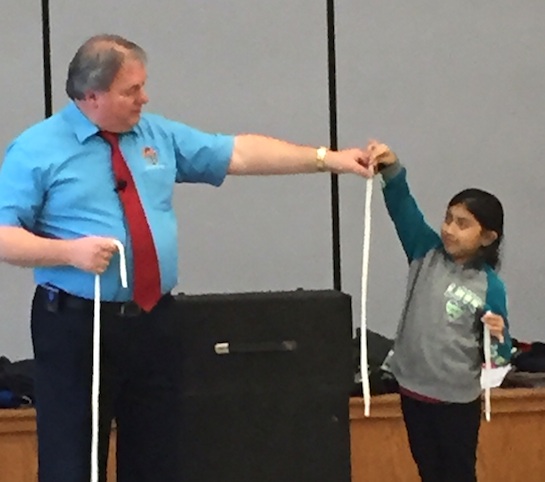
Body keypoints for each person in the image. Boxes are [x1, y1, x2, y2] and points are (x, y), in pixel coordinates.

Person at [0, 34, 374, 482]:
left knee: (162, 454)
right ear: (91, 95)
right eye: (131, 90)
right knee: (73, 460)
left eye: (143, 85)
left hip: (155, 320)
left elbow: (237, 153)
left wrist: (328, 159)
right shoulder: (36, 150)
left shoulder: (156, 134)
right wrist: (67, 252)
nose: (145, 97)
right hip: (78, 325)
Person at [367, 140, 512, 482]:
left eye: (463, 224)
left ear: (488, 237)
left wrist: (499, 337)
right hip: (413, 390)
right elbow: (403, 206)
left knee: (458, 473)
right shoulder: (424, 250)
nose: (449, 228)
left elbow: (500, 354)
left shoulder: (490, 286)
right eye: (448, 218)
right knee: (429, 471)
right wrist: (391, 167)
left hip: (456, 401)